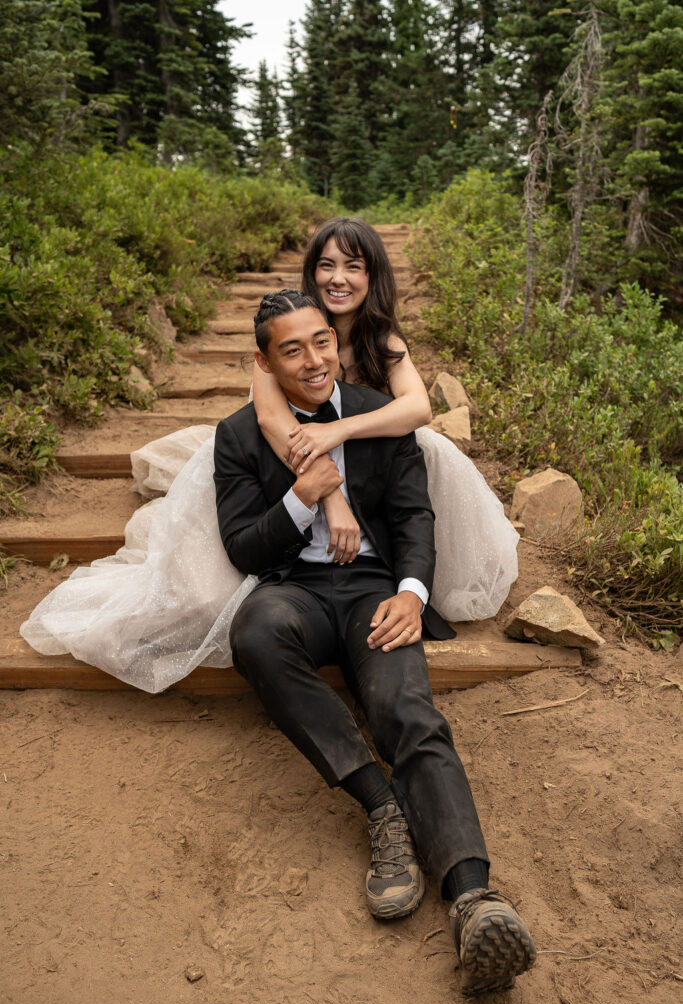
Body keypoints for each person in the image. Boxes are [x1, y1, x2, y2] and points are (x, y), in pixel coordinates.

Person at [20, 218, 518, 693]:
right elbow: (273, 423)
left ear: (374, 276)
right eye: (326, 265)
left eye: (353, 266)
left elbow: (418, 407)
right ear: (311, 271)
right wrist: (332, 499)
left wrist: (340, 430)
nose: (338, 278)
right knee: (210, 568)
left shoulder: (381, 336)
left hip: (367, 463)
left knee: (424, 445)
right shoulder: (284, 330)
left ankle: (409, 572)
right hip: (295, 463)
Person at [216, 289, 536, 996]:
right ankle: (381, 807)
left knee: (408, 712)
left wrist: (411, 595)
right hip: (292, 592)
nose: (312, 360)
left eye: (321, 342)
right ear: (264, 362)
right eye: (291, 349)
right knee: (255, 633)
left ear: (336, 341)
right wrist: (302, 495)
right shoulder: (239, 435)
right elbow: (243, 548)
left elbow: (412, 516)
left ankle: (473, 899)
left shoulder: (372, 415)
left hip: (373, 593)